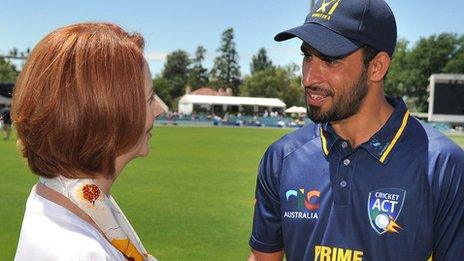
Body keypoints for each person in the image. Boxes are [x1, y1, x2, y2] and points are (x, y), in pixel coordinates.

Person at [248, 0, 464, 260]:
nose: (309, 78)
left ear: (377, 67)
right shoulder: (282, 158)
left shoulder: (442, 165)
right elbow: (262, 257)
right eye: (307, 56)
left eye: (329, 60)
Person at [13, 23, 166, 260]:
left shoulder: (68, 197)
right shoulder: (83, 253)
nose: (161, 109)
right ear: (107, 117)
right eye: (149, 99)